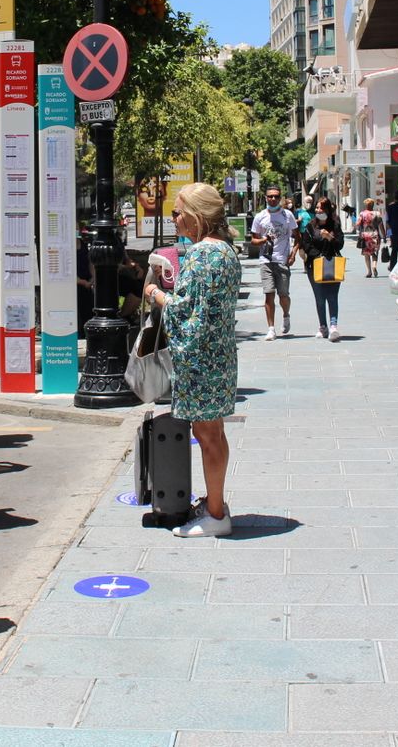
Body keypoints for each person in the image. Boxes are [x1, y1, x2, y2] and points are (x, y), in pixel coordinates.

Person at [141, 182, 241, 538]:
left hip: (201, 359)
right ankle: (216, 503)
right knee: (214, 430)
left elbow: (186, 311)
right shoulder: (226, 251)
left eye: (178, 212)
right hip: (220, 355)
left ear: (198, 215)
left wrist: (156, 294)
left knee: (207, 433)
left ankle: (216, 516)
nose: (175, 218)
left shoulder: (202, 254)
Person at [250, 185, 299, 340]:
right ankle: (271, 328)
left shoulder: (287, 215)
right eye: (270, 196)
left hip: (282, 260)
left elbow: (298, 237)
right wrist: (263, 240)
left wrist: (293, 254)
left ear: (280, 198)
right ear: (266, 197)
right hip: (266, 260)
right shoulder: (260, 217)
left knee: (283, 295)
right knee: (269, 294)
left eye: (276, 196)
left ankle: (286, 315)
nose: (273, 199)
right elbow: (253, 239)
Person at [299, 195, 346, 341]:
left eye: (322, 207)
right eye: (317, 207)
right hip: (315, 265)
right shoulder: (310, 227)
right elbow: (306, 245)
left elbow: (340, 244)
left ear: (328, 210)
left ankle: (333, 326)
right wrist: (318, 256)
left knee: (332, 296)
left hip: (332, 264)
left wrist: (329, 237)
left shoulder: (335, 225)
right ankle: (322, 326)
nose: (319, 210)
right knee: (319, 298)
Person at [357, 198, 383, 278]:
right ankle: (374, 266)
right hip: (375, 235)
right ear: (373, 205)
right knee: (374, 253)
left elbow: (357, 224)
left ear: (366, 205)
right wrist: (384, 236)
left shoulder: (362, 214)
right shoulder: (377, 213)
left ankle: (369, 272)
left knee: (366, 254)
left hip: (365, 236)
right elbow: (381, 226)